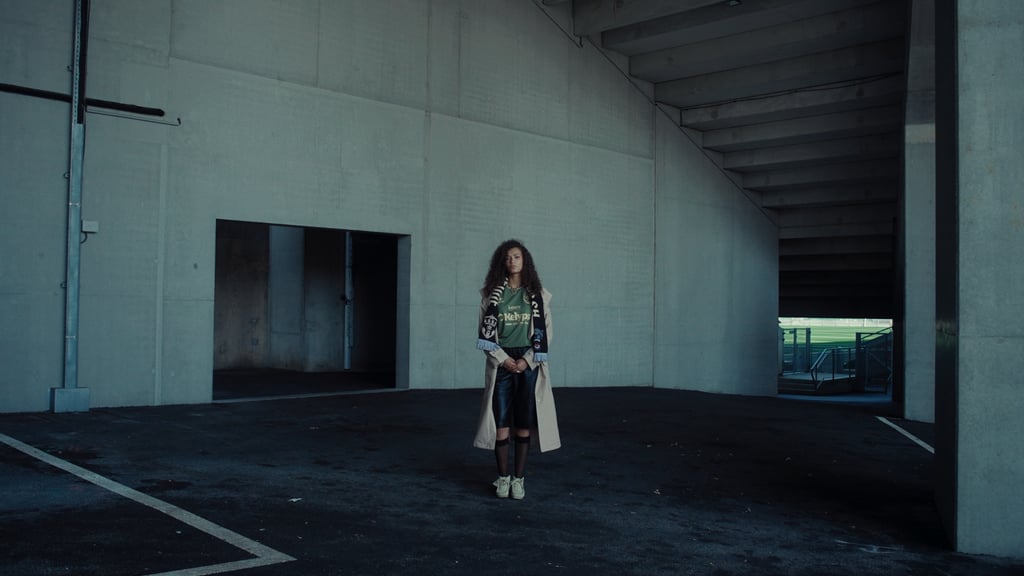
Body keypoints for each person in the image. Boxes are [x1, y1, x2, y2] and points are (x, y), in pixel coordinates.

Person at [473, 239, 561, 500]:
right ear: (501, 262)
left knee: (523, 424)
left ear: (525, 261)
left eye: (517, 256)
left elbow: (547, 333)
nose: (512, 261)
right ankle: (503, 479)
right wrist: (503, 359)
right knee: (500, 422)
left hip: (527, 362)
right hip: (501, 362)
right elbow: (484, 333)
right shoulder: (491, 295)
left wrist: (526, 360)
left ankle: (518, 480)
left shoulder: (538, 294)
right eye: (507, 257)